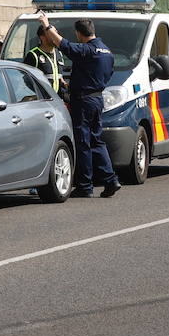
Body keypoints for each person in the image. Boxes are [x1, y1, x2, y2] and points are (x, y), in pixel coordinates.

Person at [38, 13, 120, 199]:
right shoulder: (107, 51)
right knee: (96, 140)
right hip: (97, 98)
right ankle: (110, 179)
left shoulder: (87, 50)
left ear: (79, 34)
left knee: (83, 143)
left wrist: (47, 25)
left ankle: (85, 185)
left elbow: (62, 44)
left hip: (83, 101)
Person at [25, 24, 66, 98]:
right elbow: (26, 80)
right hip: (43, 102)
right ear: (42, 37)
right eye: (52, 33)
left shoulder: (58, 53)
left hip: (58, 101)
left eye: (56, 33)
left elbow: (58, 76)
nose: (55, 36)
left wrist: (63, 83)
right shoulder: (33, 55)